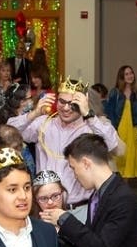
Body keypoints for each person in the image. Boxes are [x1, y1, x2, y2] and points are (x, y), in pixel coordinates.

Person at [7, 77, 123, 218]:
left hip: (79, 210)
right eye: (62, 101)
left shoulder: (91, 127)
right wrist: (35, 113)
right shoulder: (44, 124)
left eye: (73, 104)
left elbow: (112, 143)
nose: (66, 108)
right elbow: (8, 132)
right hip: (44, 210)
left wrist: (88, 114)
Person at [104, 65, 137, 179]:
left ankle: (125, 186)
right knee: (120, 157)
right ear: (121, 77)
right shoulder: (115, 92)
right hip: (119, 128)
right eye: (126, 74)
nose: (130, 76)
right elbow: (109, 111)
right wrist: (113, 128)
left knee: (130, 157)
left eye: (131, 73)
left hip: (133, 129)